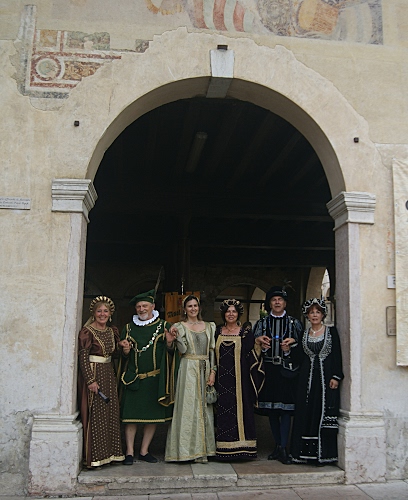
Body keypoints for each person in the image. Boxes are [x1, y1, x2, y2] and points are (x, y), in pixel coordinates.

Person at [119, 289, 177, 465]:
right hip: (133, 379)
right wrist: (125, 351)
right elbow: (122, 356)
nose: (141, 309)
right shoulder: (128, 328)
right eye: (138, 306)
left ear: (153, 306)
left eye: (145, 306)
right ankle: (129, 452)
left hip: (154, 380)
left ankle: (144, 451)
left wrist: (169, 343)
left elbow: (172, 353)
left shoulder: (164, 326)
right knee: (131, 418)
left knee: (151, 418)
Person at [290, 298, 343, 466]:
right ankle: (305, 454)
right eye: (311, 312)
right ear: (307, 315)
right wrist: (289, 349)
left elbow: (337, 355)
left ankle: (324, 455)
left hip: (325, 381)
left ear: (322, 315)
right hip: (307, 381)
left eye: (317, 312)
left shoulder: (331, 332)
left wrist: (336, 376)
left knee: (322, 412)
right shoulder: (304, 334)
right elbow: (299, 357)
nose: (314, 315)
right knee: (306, 412)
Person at [253, 286, 303, 464]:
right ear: (269, 303)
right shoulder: (261, 324)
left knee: (286, 410)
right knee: (272, 410)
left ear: (285, 303)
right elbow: (252, 349)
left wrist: (291, 347)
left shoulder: (294, 323)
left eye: (280, 299)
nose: (277, 302)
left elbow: (302, 350)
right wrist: (259, 343)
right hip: (268, 371)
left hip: (287, 372)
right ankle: (277, 445)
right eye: (274, 300)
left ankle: (283, 446)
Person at [165, 295, 216, 463]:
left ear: (199, 307)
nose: (193, 309)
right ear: (184, 309)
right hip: (188, 367)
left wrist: (213, 372)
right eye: (189, 306)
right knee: (188, 407)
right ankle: (186, 451)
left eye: (195, 305)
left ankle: (204, 451)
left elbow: (212, 351)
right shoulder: (179, 326)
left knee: (205, 408)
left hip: (205, 366)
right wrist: (175, 338)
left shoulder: (209, 326)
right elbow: (183, 350)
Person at [77, 296, 125, 468]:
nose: (102, 314)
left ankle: (110, 454)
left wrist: (124, 348)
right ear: (94, 313)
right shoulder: (87, 332)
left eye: (105, 311)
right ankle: (95, 456)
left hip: (108, 374)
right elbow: (83, 357)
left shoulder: (112, 331)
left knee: (110, 413)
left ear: (110, 314)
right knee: (96, 414)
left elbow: (115, 355)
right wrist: (90, 380)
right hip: (94, 374)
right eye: (99, 311)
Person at [214, 299, 265, 460]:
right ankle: (223, 447)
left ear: (238, 314)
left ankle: (244, 447)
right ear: (224, 314)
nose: (231, 314)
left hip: (240, 382)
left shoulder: (245, 333)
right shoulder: (216, 332)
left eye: (234, 311)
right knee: (222, 411)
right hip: (221, 382)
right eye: (228, 311)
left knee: (242, 412)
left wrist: (257, 344)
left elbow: (251, 355)